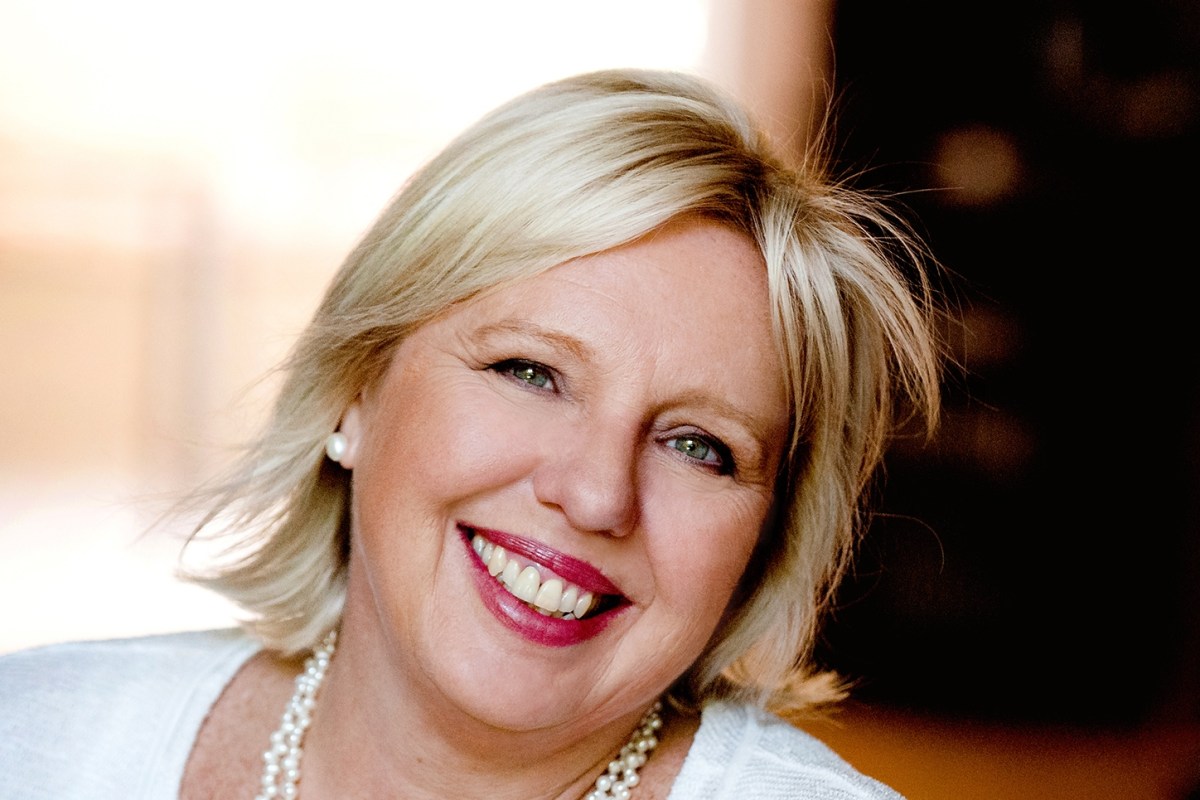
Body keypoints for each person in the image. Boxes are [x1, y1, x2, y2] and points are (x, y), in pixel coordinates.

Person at [0, 67, 942, 799]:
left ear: (766, 538)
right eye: (530, 373)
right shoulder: (33, 738)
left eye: (698, 446)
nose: (597, 494)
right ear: (354, 391)